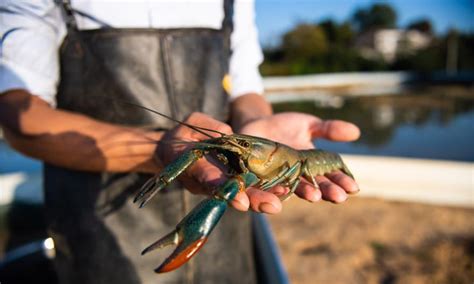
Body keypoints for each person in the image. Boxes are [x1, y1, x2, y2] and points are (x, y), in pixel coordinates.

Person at [0, 0, 360, 283]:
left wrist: (255, 121)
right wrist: (155, 150)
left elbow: (245, 88)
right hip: (97, 220)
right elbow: (18, 114)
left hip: (228, 229)